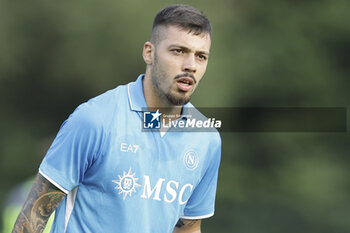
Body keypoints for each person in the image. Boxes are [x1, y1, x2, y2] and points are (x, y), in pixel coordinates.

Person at [12, 4, 221, 233]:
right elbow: (32, 217)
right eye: (178, 51)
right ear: (149, 53)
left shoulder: (205, 139)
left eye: (201, 56)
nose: (190, 65)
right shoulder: (94, 120)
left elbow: (188, 227)